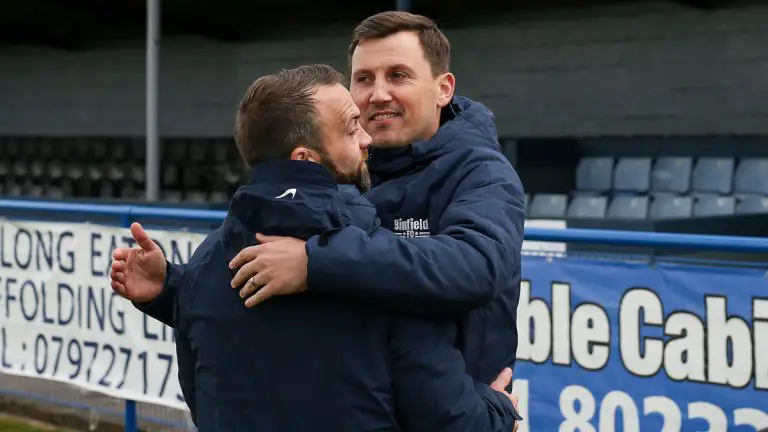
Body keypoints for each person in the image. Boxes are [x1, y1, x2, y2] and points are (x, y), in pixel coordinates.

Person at [112, 64, 521, 431]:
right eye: (350, 128)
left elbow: (202, 398)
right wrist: (499, 411)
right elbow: (447, 416)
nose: (367, 140)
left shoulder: (205, 265)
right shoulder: (384, 273)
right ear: (305, 159)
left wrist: (170, 291)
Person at [227, 10, 526, 387]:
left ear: (443, 88)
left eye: (398, 76)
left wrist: (316, 263)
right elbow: (254, 268)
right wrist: (168, 288)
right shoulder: (337, 167)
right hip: (358, 406)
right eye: (364, 79)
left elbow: (475, 266)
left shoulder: (482, 173)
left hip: (453, 415)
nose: (379, 94)